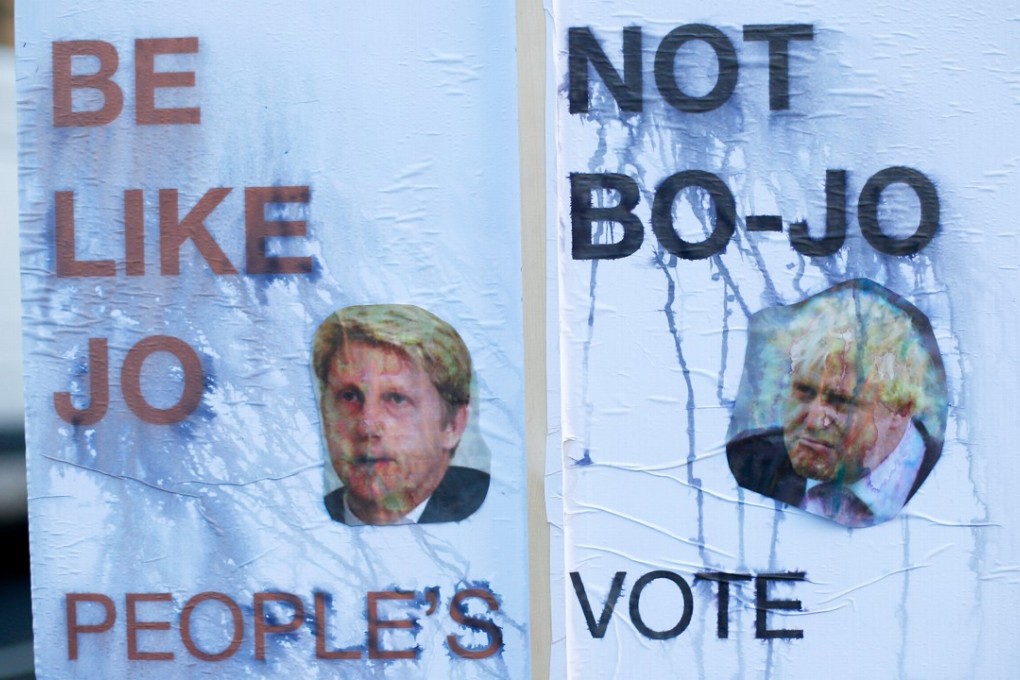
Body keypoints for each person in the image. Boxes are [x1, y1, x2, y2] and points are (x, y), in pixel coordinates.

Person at [727, 282, 945, 527]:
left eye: (841, 402)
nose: (812, 420)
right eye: (804, 391)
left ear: (900, 409)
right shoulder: (746, 463)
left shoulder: (950, 490)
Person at [312, 304, 489, 525]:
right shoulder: (303, 514)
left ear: (453, 424)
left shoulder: (491, 513)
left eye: (396, 399)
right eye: (349, 396)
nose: (366, 426)